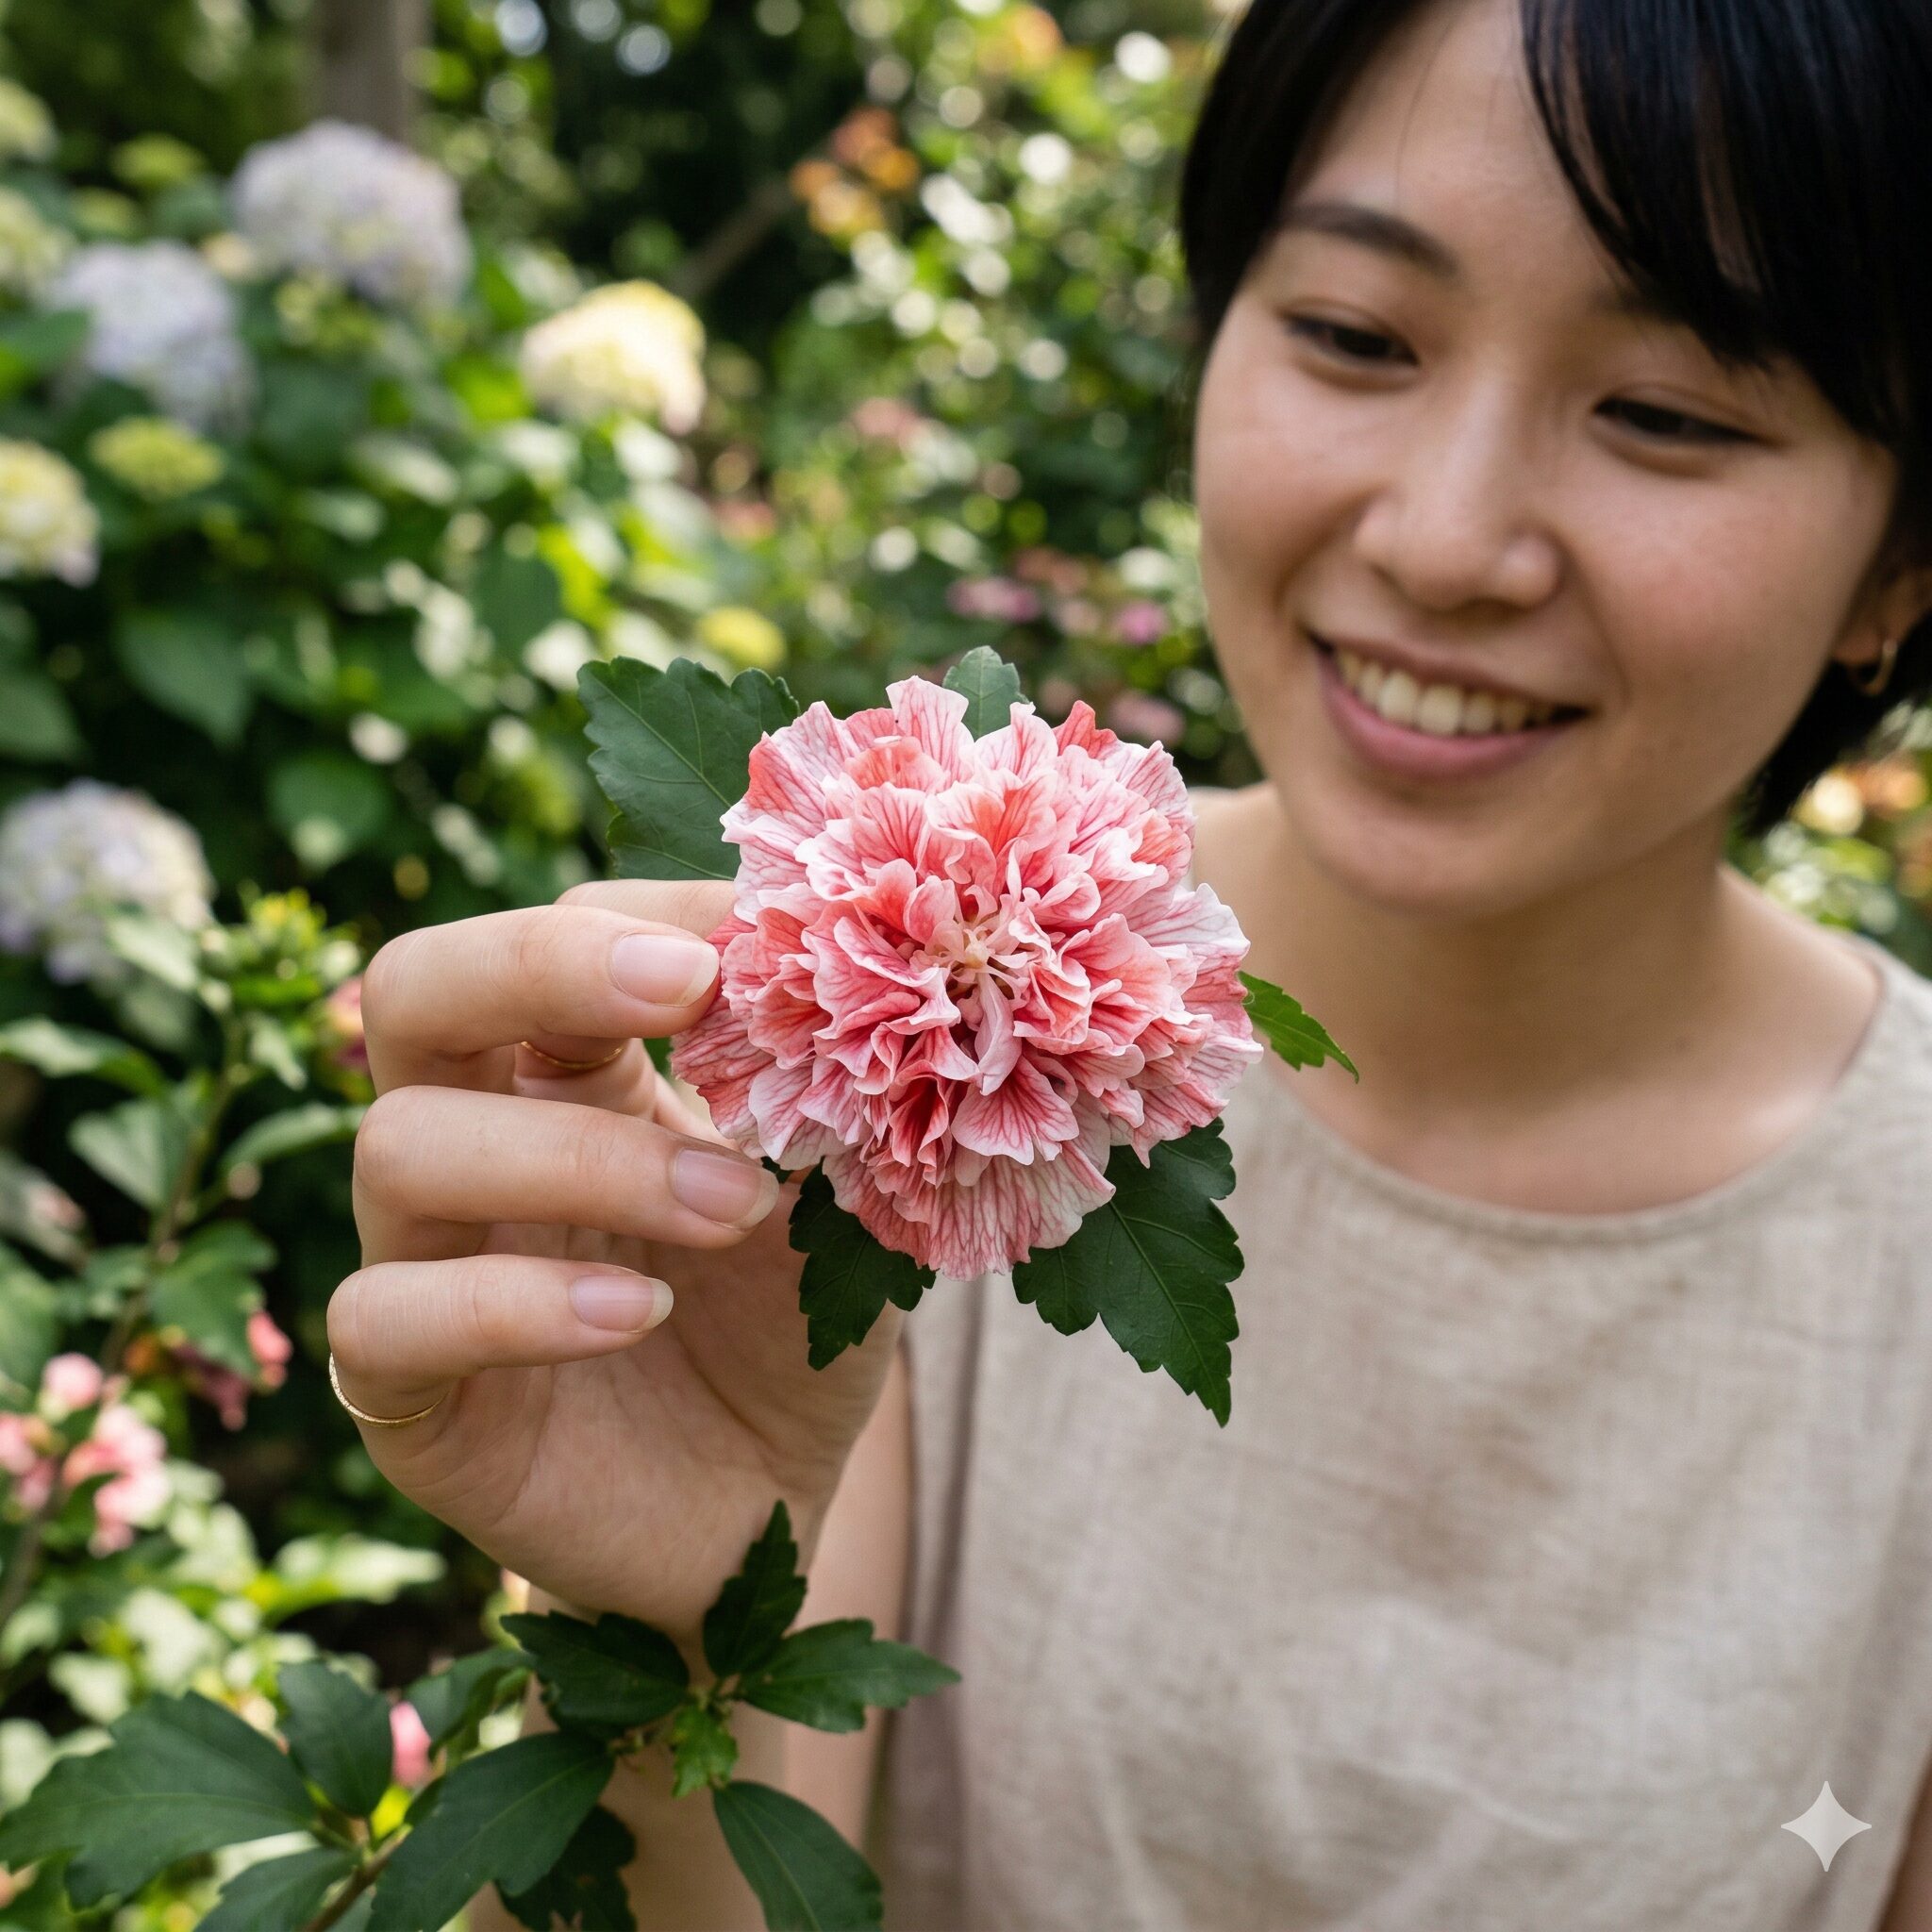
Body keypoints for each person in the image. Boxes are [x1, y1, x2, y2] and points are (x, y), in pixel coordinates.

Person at [325, 0, 1932, 1924]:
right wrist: (663, 1625)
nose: (1441, 538)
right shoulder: (858, 1103)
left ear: (1901, 565)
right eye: (1350, 335)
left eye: (1663, 410)